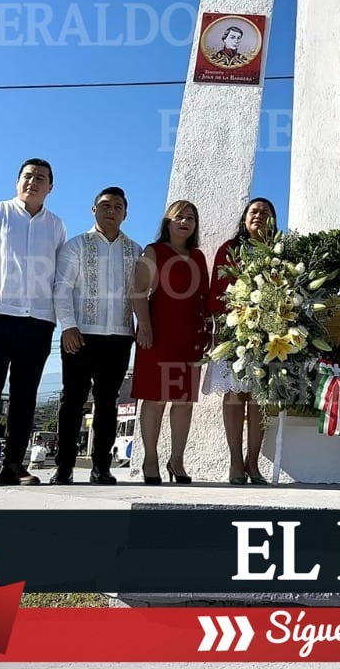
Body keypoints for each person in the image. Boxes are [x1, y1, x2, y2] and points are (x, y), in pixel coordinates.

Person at [0, 158, 66, 488]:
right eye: (28, 176)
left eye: (41, 177)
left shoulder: (56, 226)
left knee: (25, 394)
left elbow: (61, 276)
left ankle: (14, 464)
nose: (33, 182)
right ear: (17, 181)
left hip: (39, 320)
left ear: (51, 187)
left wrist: (63, 317)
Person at [51, 186, 143, 486]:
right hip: (81, 334)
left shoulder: (135, 250)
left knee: (108, 403)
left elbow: (141, 293)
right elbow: (61, 289)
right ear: (94, 210)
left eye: (117, 206)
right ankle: (63, 468)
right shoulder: (77, 245)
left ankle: (101, 468)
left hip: (118, 336)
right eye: (105, 205)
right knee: (72, 401)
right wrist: (68, 326)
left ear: (125, 213)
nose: (111, 210)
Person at [131, 200, 209, 484]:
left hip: (190, 338)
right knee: (154, 399)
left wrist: (207, 334)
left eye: (190, 217)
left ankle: (177, 461)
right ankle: (150, 459)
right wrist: (146, 327)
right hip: (158, 334)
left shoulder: (198, 257)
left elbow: (203, 298)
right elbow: (138, 292)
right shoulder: (154, 252)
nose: (185, 222)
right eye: (179, 217)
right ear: (167, 222)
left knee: (184, 401)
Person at [203, 197, 277, 485]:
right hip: (234, 333)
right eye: (254, 211)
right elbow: (217, 292)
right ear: (244, 218)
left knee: (259, 399)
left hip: (269, 336)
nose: (259, 216)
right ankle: (235, 461)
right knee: (235, 396)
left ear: (273, 220)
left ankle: (253, 463)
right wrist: (221, 329)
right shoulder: (229, 250)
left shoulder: (278, 252)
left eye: (265, 212)